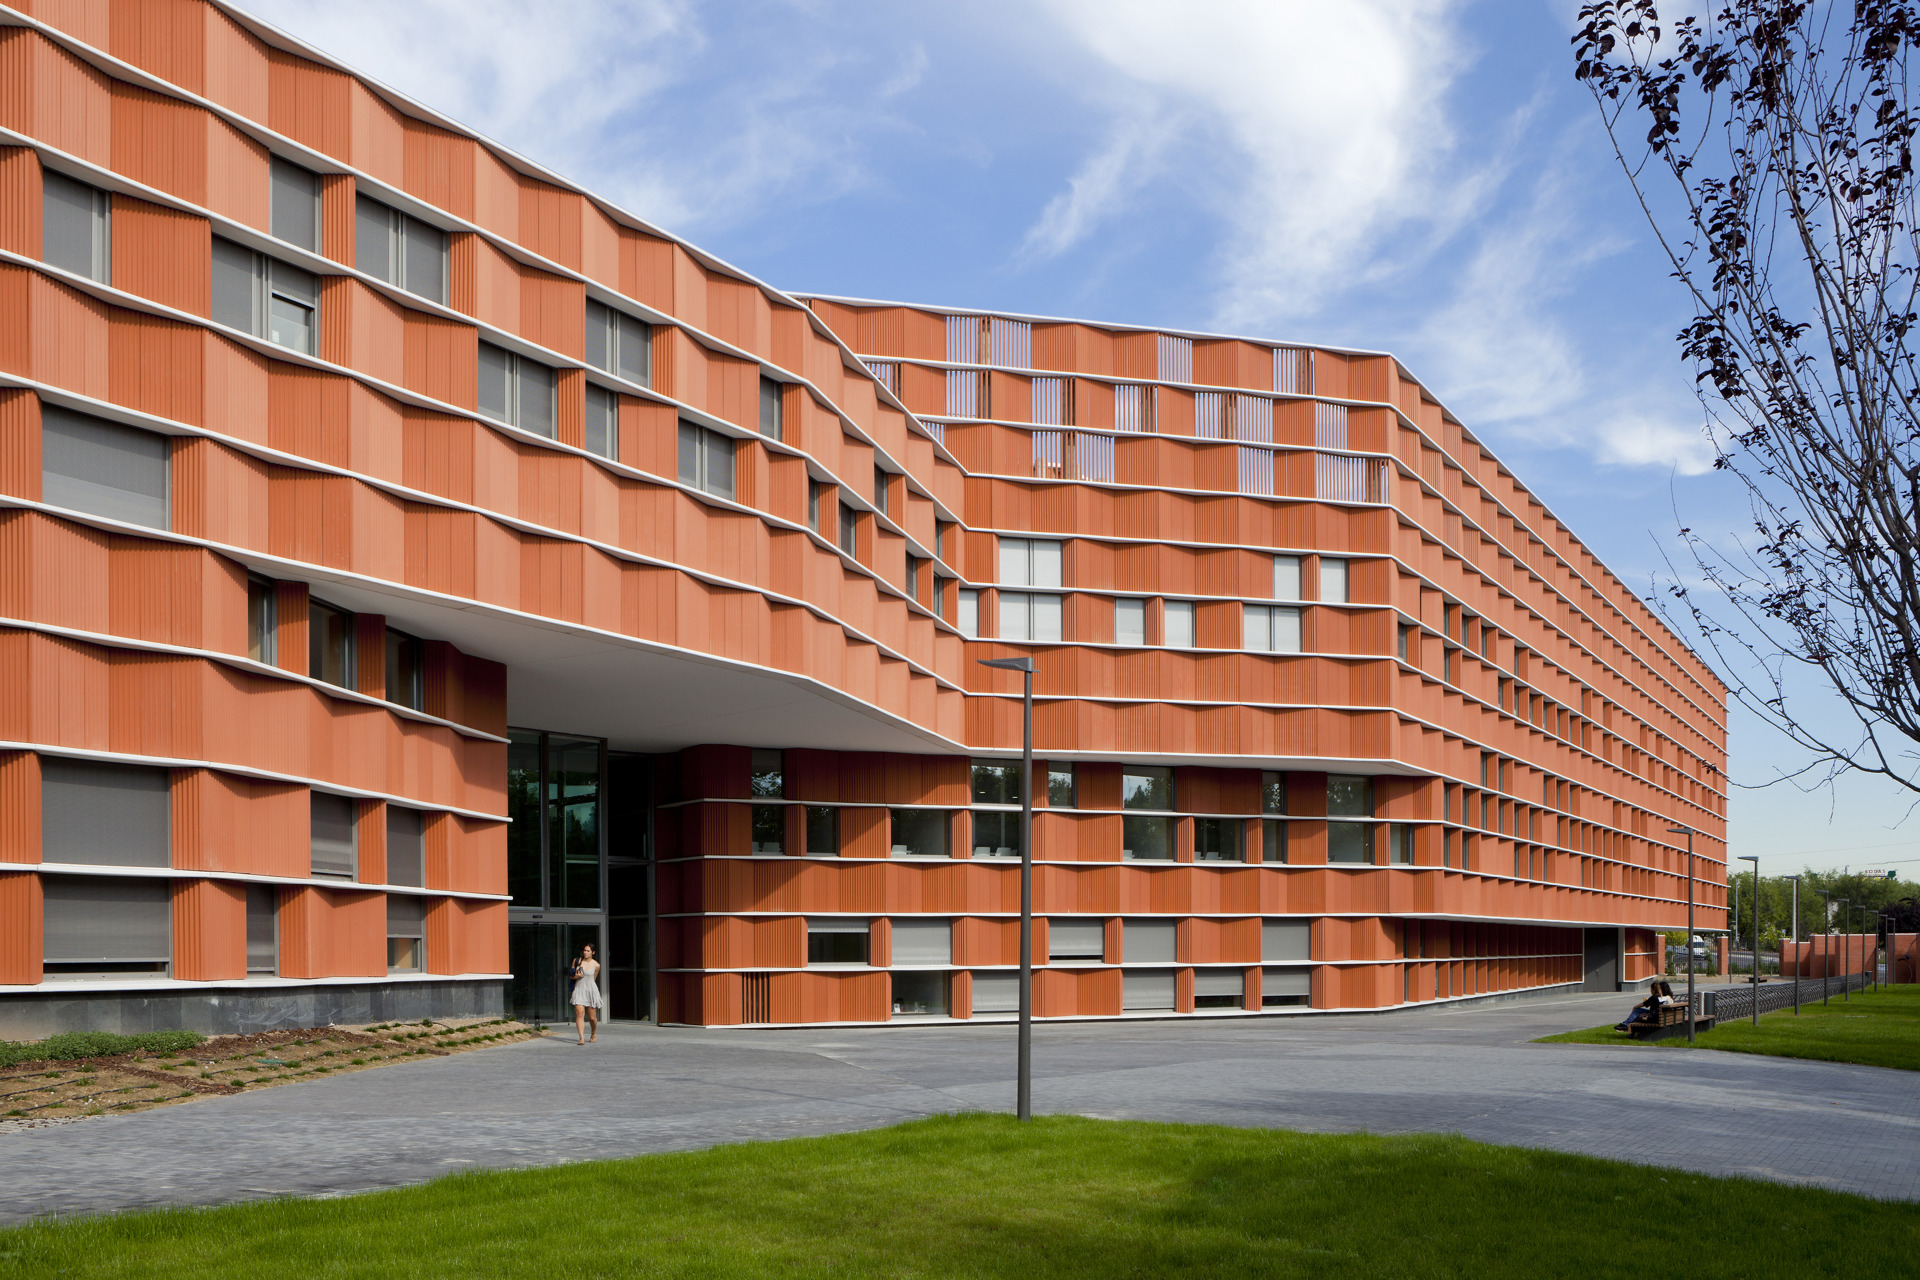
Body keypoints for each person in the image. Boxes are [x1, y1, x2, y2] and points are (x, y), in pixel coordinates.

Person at [569, 943, 604, 1045]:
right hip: (579, 989)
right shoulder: (577, 961)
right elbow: (571, 976)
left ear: (593, 952)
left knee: (592, 1017)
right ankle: (581, 1037)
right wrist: (577, 977)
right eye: (584, 950)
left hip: (591, 991)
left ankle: (593, 1033)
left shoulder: (596, 965)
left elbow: (593, 979)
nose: (585, 952)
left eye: (588, 951)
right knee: (580, 1014)